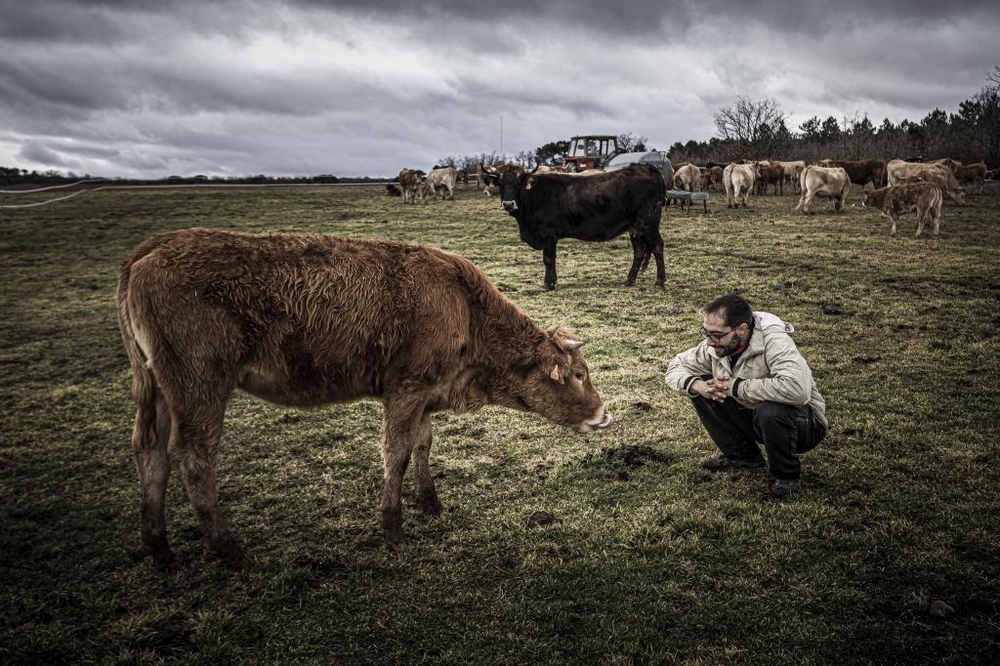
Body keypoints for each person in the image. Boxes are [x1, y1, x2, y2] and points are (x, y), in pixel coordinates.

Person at [665, 293, 827, 498]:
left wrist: (737, 387)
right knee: (702, 384)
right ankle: (743, 457)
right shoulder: (716, 345)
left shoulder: (774, 340)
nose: (709, 342)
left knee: (771, 410)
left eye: (716, 335)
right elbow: (676, 366)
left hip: (804, 424)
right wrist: (698, 386)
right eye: (705, 333)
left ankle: (787, 476)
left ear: (741, 329)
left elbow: (798, 390)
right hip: (753, 415)